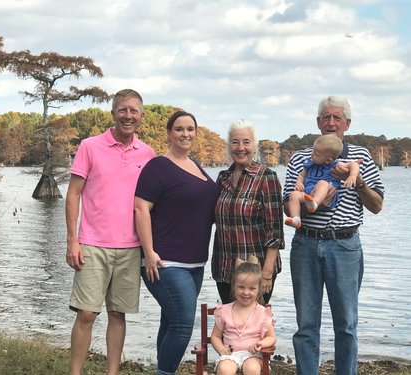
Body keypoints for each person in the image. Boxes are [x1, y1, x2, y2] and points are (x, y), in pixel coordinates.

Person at [283, 96, 384, 375]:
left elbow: (377, 205)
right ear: (318, 122)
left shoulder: (360, 158)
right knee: (306, 324)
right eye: (326, 117)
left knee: (347, 324)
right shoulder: (301, 158)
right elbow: (287, 201)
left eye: (337, 117)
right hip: (305, 243)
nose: (331, 122)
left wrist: (358, 182)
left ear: (347, 123)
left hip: (345, 244)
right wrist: (308, 202)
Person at [65, 89, 155, 375]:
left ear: (141, 115)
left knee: (118, 314)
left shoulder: (148, 153)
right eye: (123, 110)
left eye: (134, 111)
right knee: (87, 314)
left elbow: (150, 204)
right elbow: (73, 194)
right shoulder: (90, 146)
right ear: (113, 113)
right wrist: (72, 240)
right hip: (92, 244)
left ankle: (111, 372)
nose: (128, 116)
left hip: (131, 247)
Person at [134, 110, 218, 375]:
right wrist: (148, 252)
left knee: (170, 321)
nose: (185, 134)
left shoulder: (194, 164)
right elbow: (140, 208)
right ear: (169, 133)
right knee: (182, 324)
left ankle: (162, 368)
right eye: (179, 129)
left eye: (190, 129)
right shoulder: (158, 166)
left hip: (195, 263)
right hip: (165, 261)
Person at [212, 120, 284, 305]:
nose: (240, 148)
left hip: (255, 272)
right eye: (235, 142)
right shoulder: (223, 178)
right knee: (230, 328)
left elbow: (275, 232)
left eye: (246, 142)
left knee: (253, 329)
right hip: (224, 268)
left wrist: (266, 274)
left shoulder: (266, 177)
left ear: (255, 146)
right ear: (229, 146)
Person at [210, 256, 277, 375]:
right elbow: (215, 336)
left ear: (259, 290)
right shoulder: (224, 311)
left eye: (252, 288)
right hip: (230, 355)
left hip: (253, 355)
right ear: (234, 286)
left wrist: (261, 344)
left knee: (251, 369)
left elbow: (271, 337)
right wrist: (221, 349)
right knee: (225, 369)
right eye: (241, 287)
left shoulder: (262, 313)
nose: (246, 292)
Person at [284, 134, 361, 229]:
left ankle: (315, 203)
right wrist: (299, 183)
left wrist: (352, 176)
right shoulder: (310, 164)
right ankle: (296, 219)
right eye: (313, 151)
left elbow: (354, 164)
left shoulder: (335, 165)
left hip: (327, 194)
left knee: (322, 182)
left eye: (316, 154)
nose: (312, 155)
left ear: (328, 160)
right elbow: (301, 175)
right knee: (294, 194)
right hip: (308, 193)